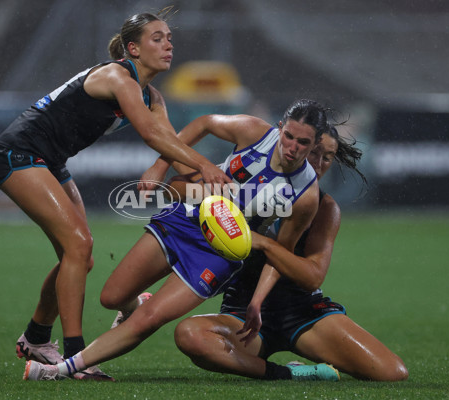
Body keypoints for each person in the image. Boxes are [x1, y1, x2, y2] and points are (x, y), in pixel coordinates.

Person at [0, 8, 230, 380]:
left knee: (79, 256)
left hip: (50, 161)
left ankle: (36, 337)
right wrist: (206, 165)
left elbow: (170, 150)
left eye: (169, 38)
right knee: (79, 246)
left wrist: (219, 185)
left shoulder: (153, 97)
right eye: (158, 38)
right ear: (132, 48)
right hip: (18, 153)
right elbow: (152, 136)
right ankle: (76, 358)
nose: (169, 45)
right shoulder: (117, 76)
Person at [23, 99, 341, 382]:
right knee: (112, 297)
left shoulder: (305, 195)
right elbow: (203, 123)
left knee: (150, 320)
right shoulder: (255, 133)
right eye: (289, 136)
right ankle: (136, 304)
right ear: (280, 127)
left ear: (313, 145)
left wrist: (256, 300)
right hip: (186, 219)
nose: (293, 147)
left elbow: (280, 252)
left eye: (304, 143)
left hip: (219, 255)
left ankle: (62, 370)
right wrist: (159, 166)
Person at [173, 126, 409, 381]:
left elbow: (313, 277)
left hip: (303, 313)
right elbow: (175, 185)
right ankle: (292, 374)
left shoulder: (325, 207)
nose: (318, 163)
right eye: (314, 152)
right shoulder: (246, 187)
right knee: (190, 335)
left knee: (392, 373)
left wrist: (265, 244)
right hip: (242, 313)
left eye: (327, 157)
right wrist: (200, 193)